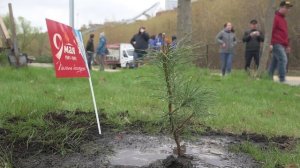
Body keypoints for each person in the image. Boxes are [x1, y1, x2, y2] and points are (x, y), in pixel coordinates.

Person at [268, 1, 293, 82]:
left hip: (282, 44)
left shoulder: (283, 20)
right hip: (276, 43)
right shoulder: (275, 17)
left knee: (274, 62)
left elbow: (285, 34)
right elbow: (270, 30)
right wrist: (270, 43)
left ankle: (268, 77)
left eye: (288, 8)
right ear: (281, 7)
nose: (287, 10)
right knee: (283, 59)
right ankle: (282, 79)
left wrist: (287, 45)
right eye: (286, 8)